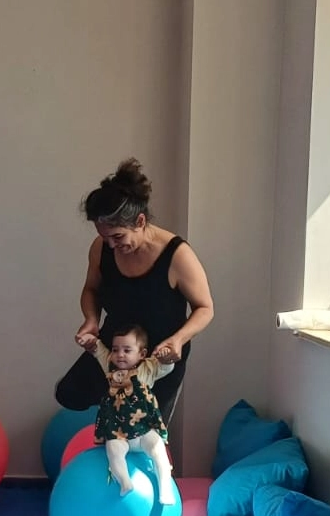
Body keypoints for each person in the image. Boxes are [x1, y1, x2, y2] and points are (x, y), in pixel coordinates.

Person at [54, 157, 216, 430]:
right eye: (105, 237)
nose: (111, 245)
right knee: (69, 394)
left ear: (140, 221)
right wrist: (91, 319)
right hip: (116, 346)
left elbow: (205, 308)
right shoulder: (101, 248)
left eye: (118, 236)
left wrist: (179, 340)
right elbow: (91, 289)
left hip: (158, 357)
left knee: (144, 429)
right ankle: (109, 431)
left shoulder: (177, 255)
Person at [78, 323, 176, 503]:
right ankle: (125, 482)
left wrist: (166, 357)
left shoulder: (147, 368)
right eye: (116, 350)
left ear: (142, 354)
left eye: (127, 350)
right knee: (112, 450)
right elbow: (99, 351)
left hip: (144, 430)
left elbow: (166, 367)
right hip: (119, 432)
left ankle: (165, 488)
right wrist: (90, 341)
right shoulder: (111, 367)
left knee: (159, 451)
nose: (120, 354)